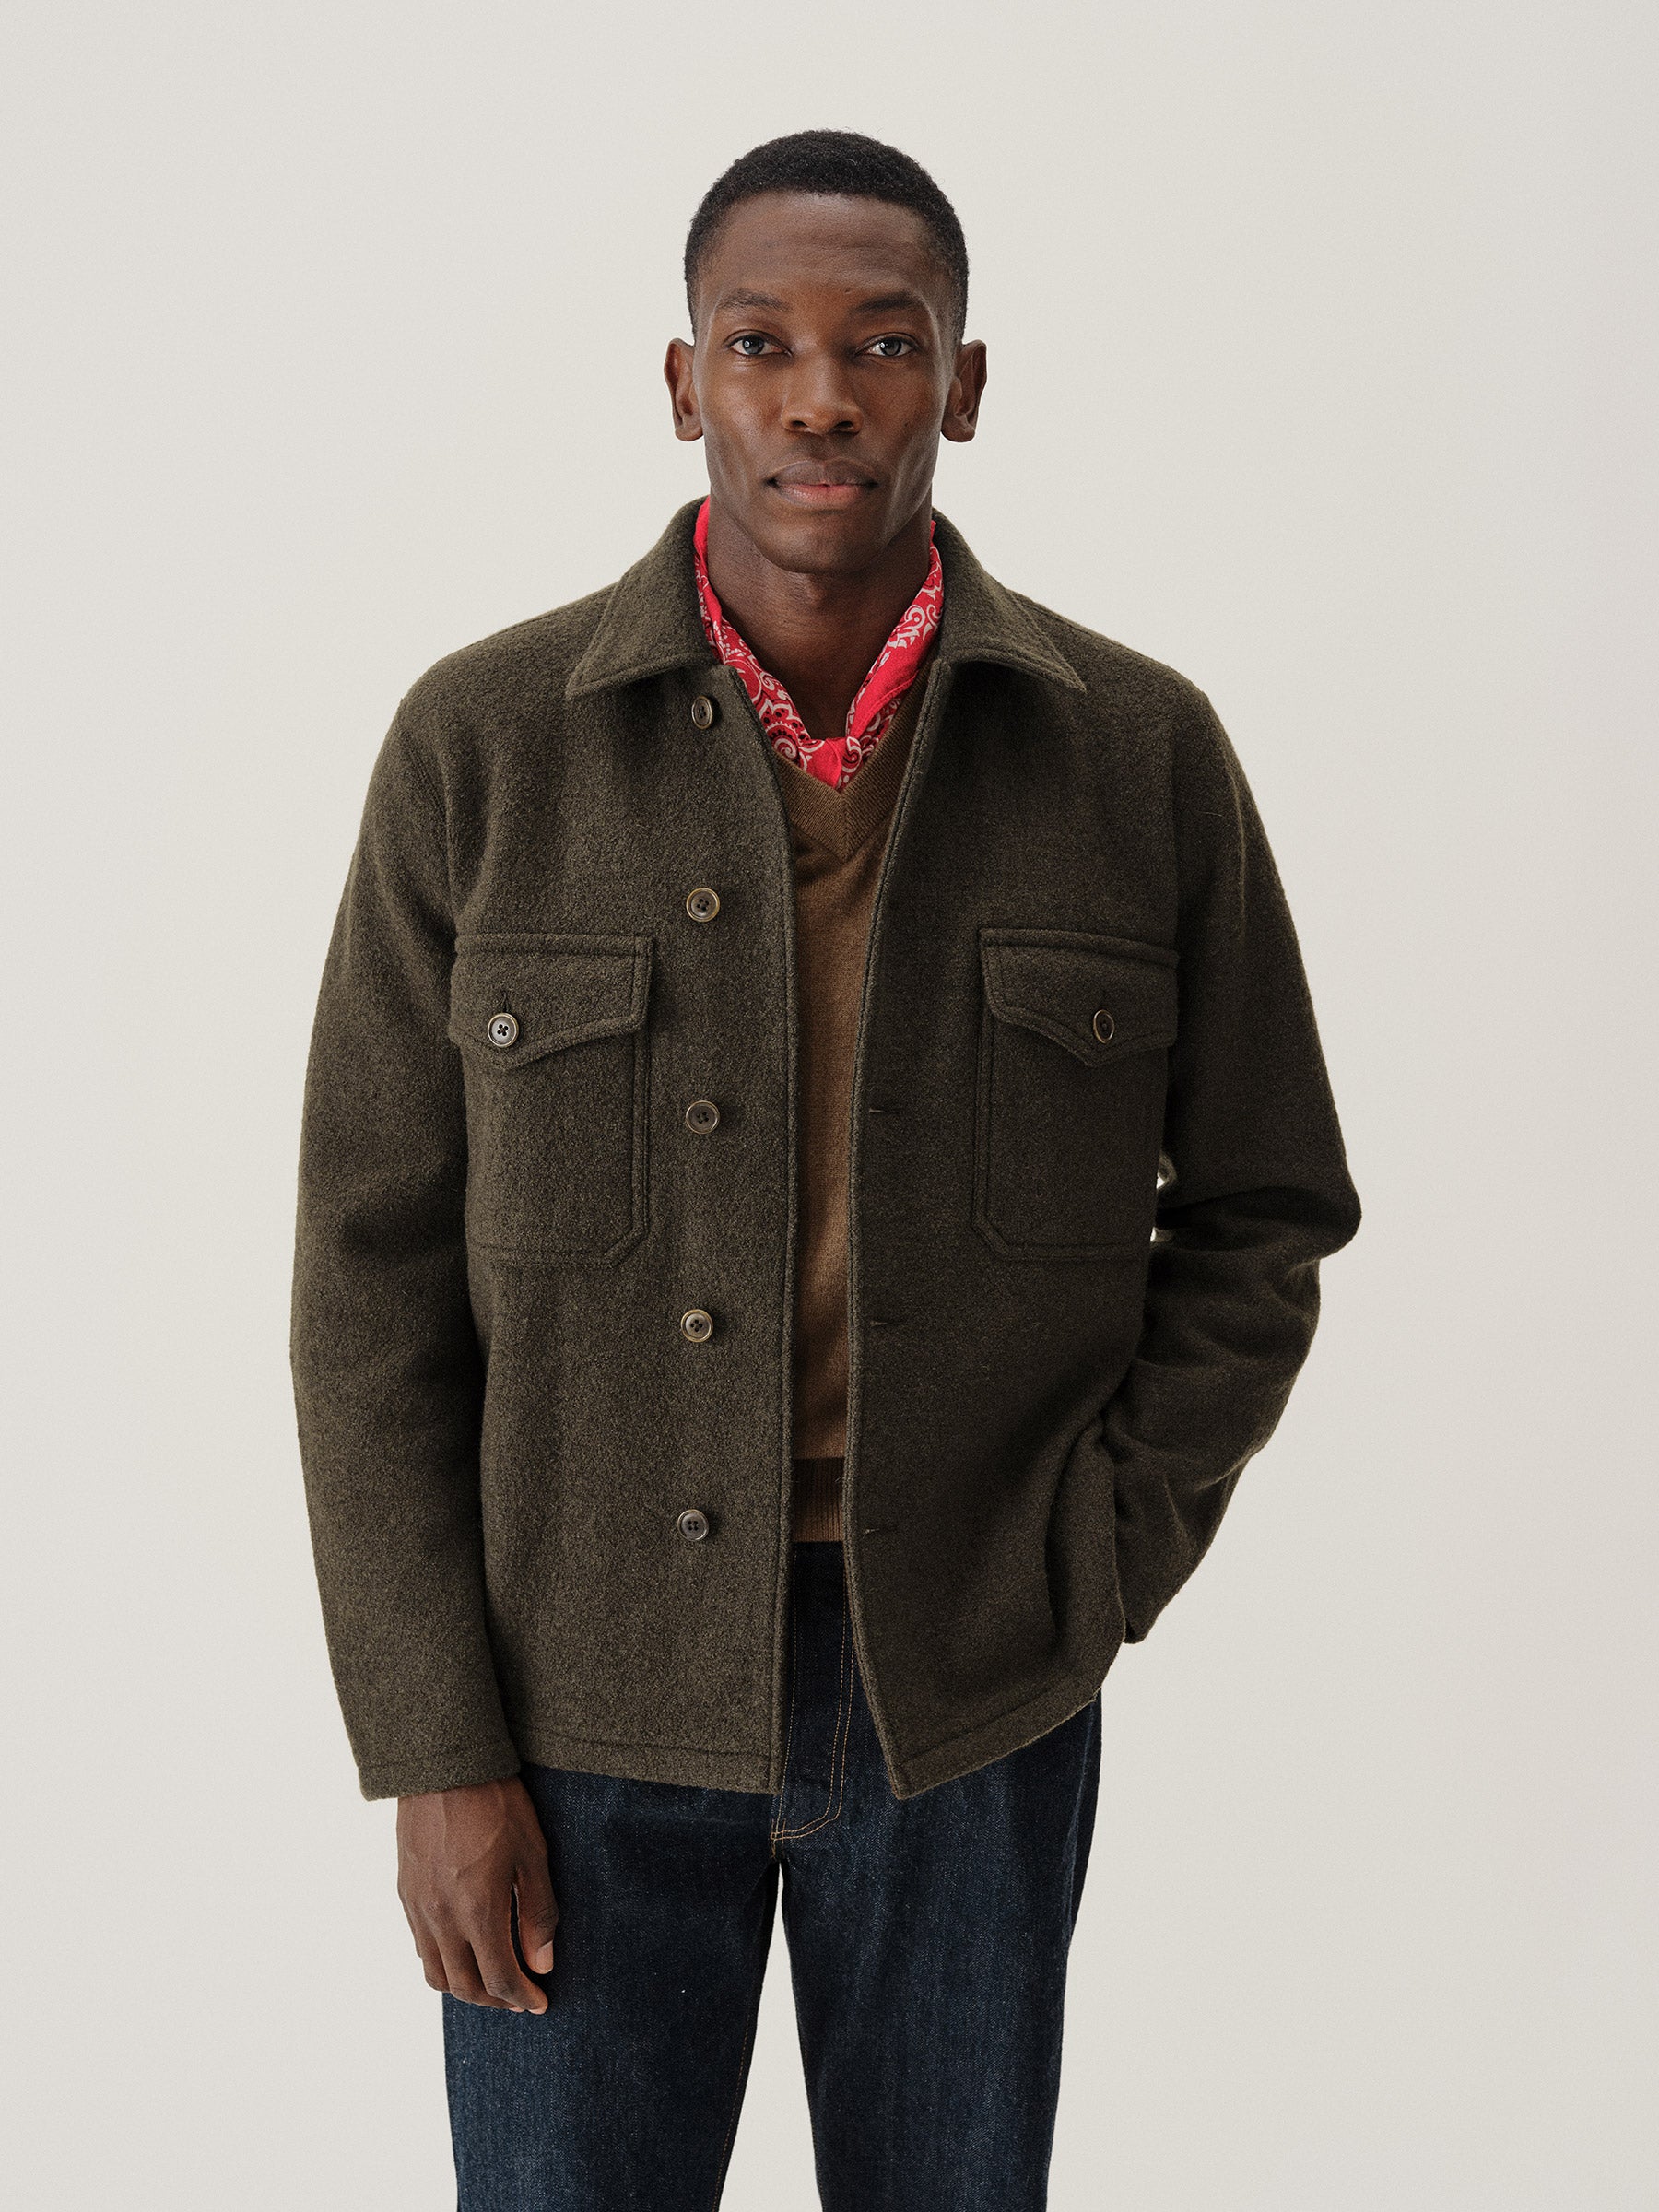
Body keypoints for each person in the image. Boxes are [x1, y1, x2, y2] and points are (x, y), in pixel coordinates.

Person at [290, 128, 1361, 2211]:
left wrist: (1095, 1565)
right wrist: (432, 1744)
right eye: (759, 341)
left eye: (884, 342)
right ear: (680, 379)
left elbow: (1265, 1211)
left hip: (966, 1691)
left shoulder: (1138, 756)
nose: (821, 396)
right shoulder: (482, 747)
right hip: (571, 1704)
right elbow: (367, 1281)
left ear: (965, 380)